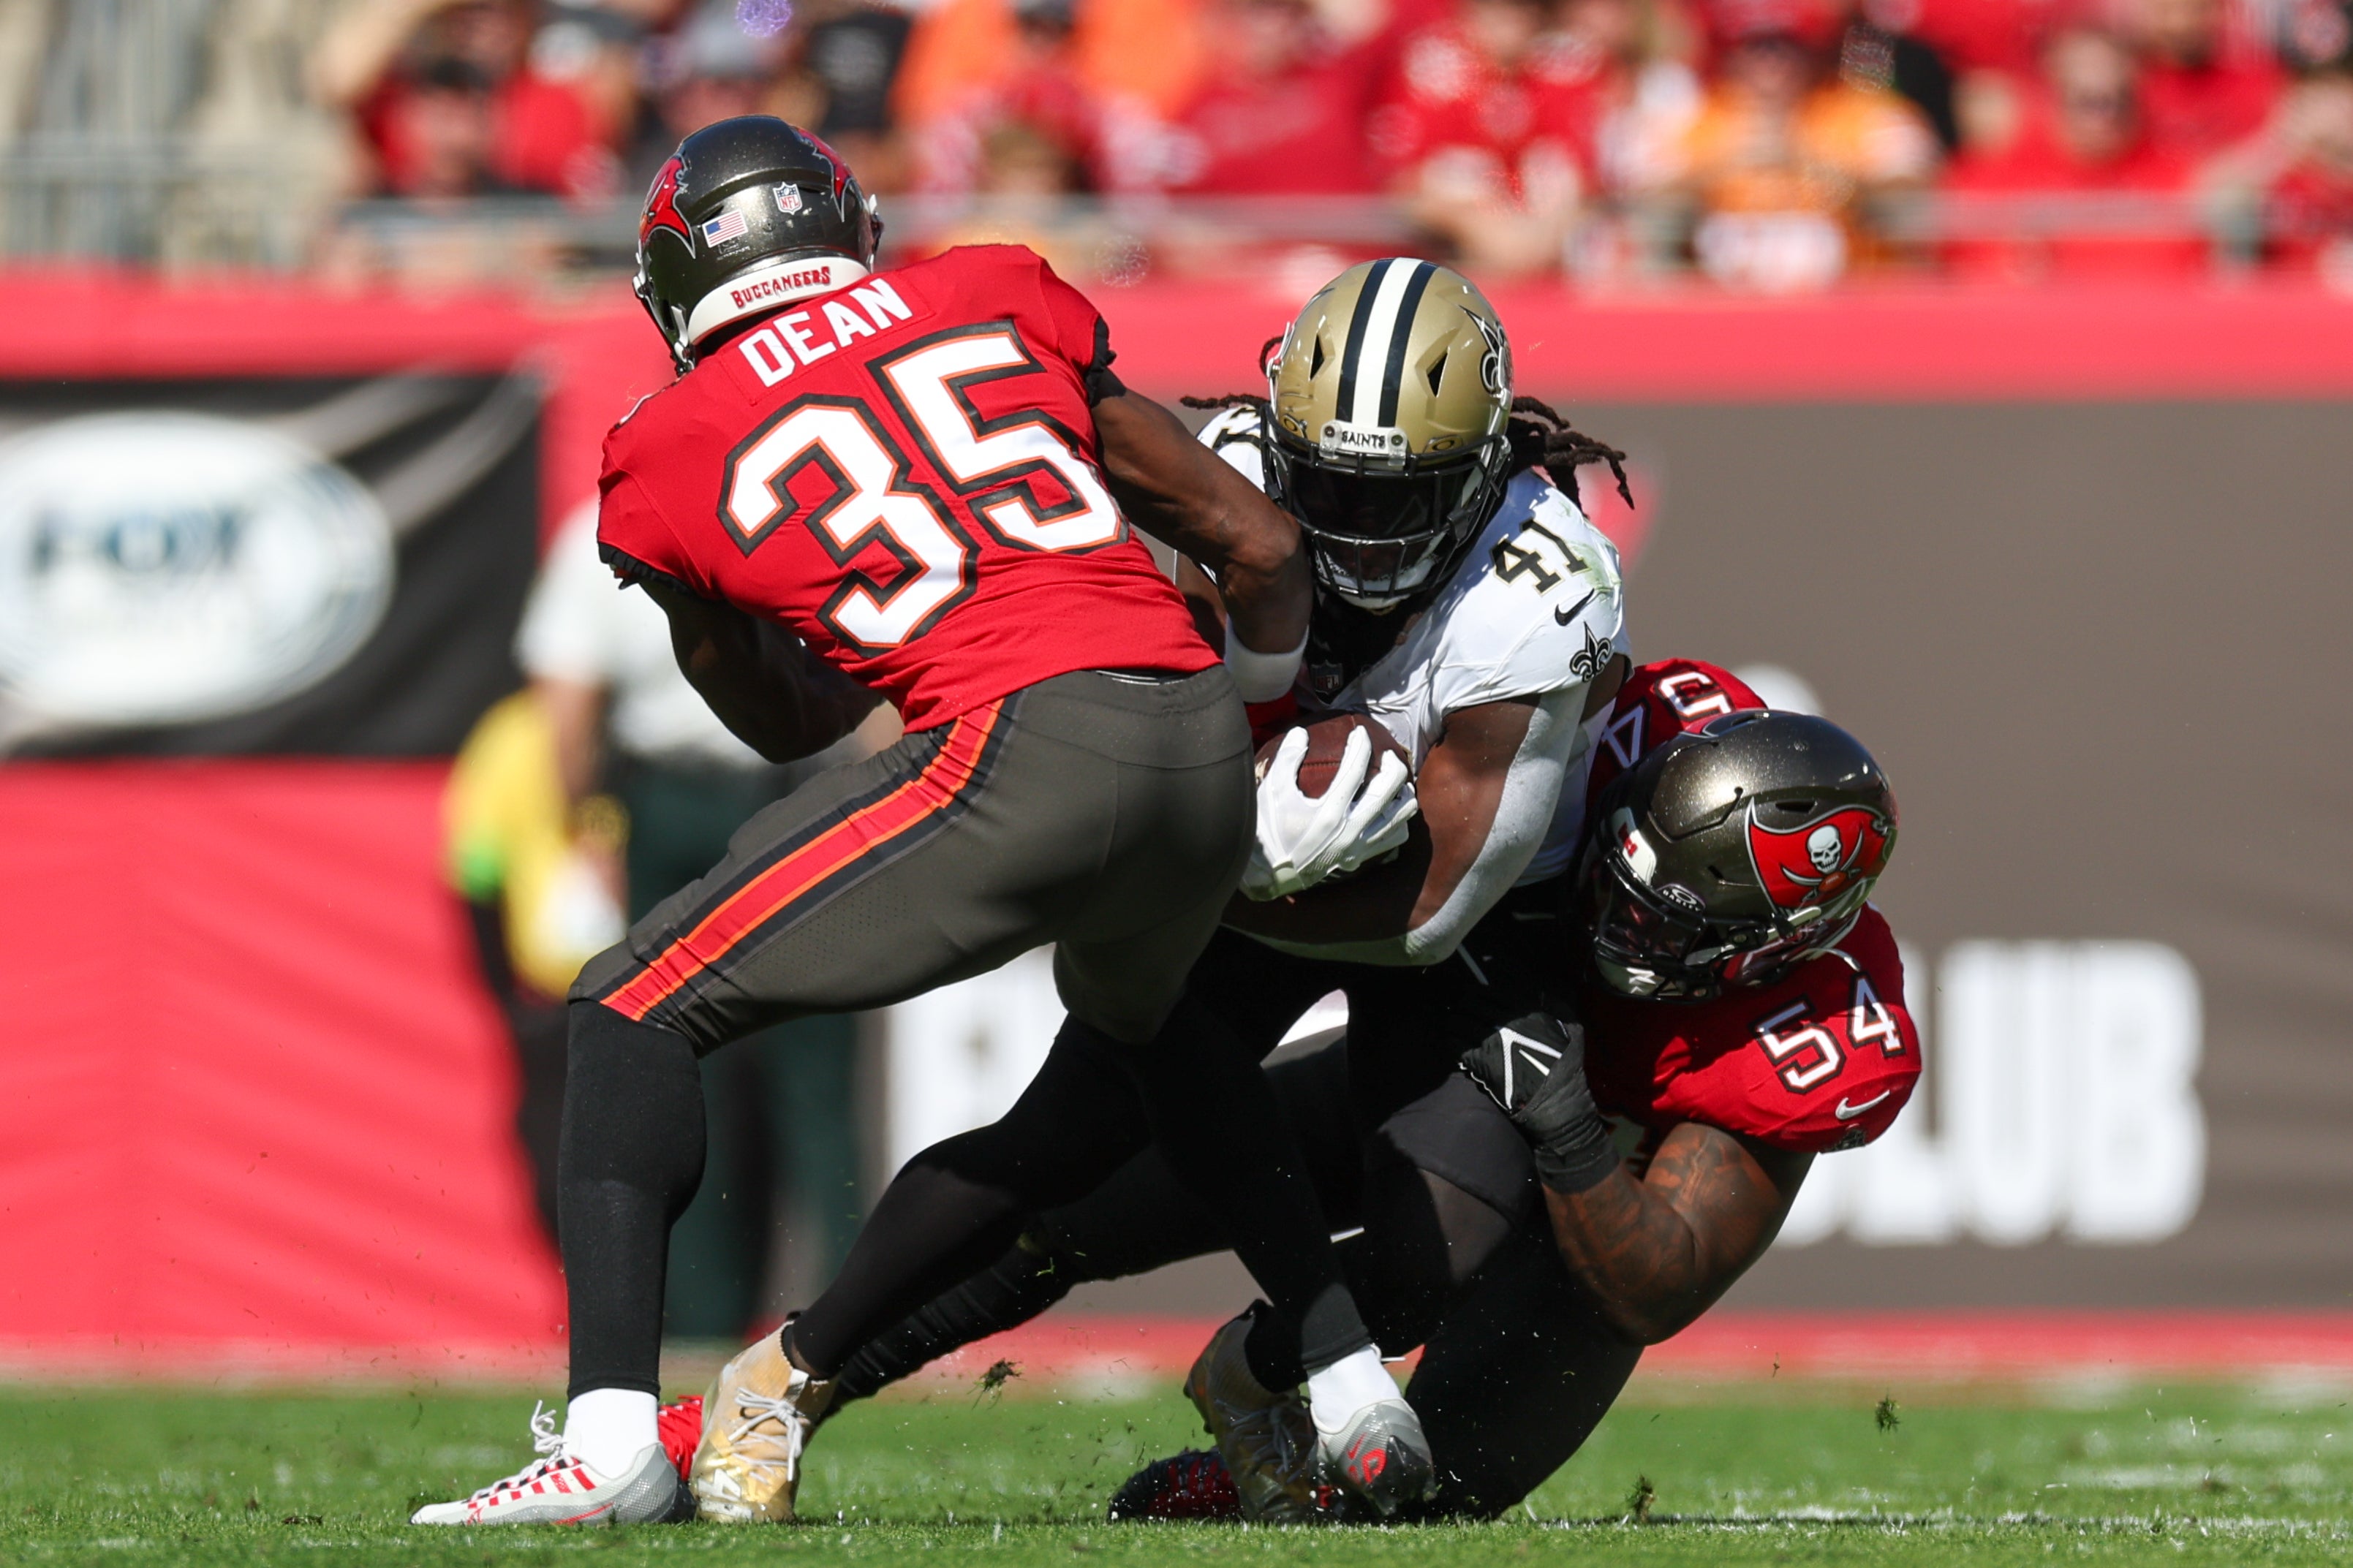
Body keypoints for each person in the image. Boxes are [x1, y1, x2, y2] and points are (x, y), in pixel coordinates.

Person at [412, 113, 1419, 1529]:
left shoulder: (664, 445)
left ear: (673, 281)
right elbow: (1253, 543)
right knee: (1162, 1034)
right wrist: (1242, 717)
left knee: (630, 1002)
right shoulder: (993, 288)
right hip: (1193, 737)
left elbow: (792, 725)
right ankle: (1350, 1380)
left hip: (1018, 746)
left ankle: (611, 1435)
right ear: (844, 226)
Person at [663, 254, 1642, 1520]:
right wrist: (1208, 854)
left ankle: (1257, 1372)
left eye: (1390, 490)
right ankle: (781, 1378)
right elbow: (1146, 697)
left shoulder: (1540, 584)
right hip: (1234, 854)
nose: (1350, 518)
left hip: (1422, 918)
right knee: (1055, 1146)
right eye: (1324, 478)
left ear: (1480, 466)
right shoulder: (1219, 472)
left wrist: (1215, 876)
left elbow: (1437, 908)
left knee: (1441, 1246)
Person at [748, 665, 1914, 1523]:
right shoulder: (1630, 736)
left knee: (1416, 1498)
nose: (1619, 915)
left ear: (1772, 946)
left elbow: (1655, 1286)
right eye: (1621, 875)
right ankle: (781, 1395)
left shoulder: (1809, 1027)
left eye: (1663, 919)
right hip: (1478, 1035)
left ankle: (1252, 1417)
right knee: (1084, 1205)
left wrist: (1561, 1117)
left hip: (1586, 1205)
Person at [516, 500, 885, 1338]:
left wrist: (589, 824)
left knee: (698, 1061)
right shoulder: (812, 502)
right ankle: (852, 1319)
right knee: (803, 1075)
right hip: (790, 799)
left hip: (693, 798)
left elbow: (567, 708)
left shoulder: (609, 523)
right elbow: (879, 679)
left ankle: (706, 1324)